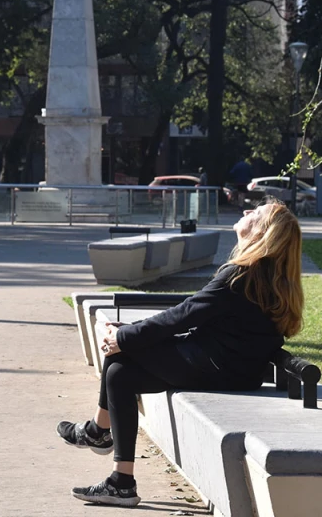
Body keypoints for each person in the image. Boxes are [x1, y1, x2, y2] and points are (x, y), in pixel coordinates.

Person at [57, 200, 305, 507]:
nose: (245, 212)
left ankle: (100, 436)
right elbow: (202, 321)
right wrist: (131, 334)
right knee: (121, 373)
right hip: (234, 370)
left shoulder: (240, 276)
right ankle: (118, 474)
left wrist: (125, 335)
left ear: (262, 233)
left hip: (214, 367)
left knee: (120, 350)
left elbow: (184, 315)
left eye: (254, 213)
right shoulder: (270, 279)